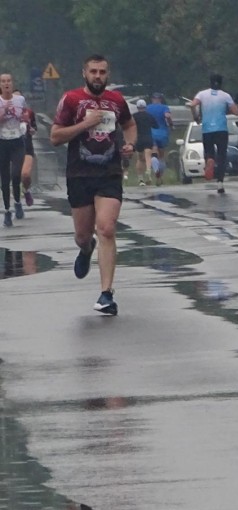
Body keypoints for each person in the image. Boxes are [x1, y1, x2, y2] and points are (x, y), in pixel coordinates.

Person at [50, 53, 136, 315]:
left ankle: (106, 294)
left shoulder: (116, 100)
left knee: (107, 228)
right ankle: (86, 250)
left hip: (109, 173)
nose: (98, 76)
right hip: (79, 174)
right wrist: (85, 124)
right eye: (93, 72)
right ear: (84, 74)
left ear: (108, 75)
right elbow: (55, 137)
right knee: (83, 236)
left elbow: (129, 124)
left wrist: (130, 144)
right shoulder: (71, 99)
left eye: (102, 72)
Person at [189, 73, 238, 194]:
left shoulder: (202, 94)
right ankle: (220, 183)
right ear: (221, 83)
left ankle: (210, 160)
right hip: (221, 129)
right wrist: (227, 109)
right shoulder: (225, 95)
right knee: (222, 156)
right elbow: (236, 112)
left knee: (209, 152)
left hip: (207, 129)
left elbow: (192, 104)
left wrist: (196, 116)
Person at [0, 73, 31, 226]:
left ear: (12, 83)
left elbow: (25, 114)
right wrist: (4, 111)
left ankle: (18, 202)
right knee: (5, 179)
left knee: (16, 173)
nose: (6, 84)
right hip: (2, 142)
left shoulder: (20, 99)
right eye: (3, 81)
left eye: (9, 81)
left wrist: (25, 122)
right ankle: (7, 211)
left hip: (17, 141)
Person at [145, 93, 172, 185]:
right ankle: (160, 176)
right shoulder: (164, 107)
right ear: (160, 99)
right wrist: (170, 124)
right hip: (162, 133)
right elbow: (167, 116)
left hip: (151, 132)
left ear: (152, 99)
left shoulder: (148, 108)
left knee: (154, 154)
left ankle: (156, 170)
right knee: (161, 156)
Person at [131, 100, 157, 186]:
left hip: (138, 138)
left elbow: (130, 126)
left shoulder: (134, 116)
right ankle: (148, 171)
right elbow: (155, 126)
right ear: (145, 107)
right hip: (148, 137)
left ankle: (140, 179)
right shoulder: (149, 116)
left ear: (137, 107)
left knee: (139, 159)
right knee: (148, 156)